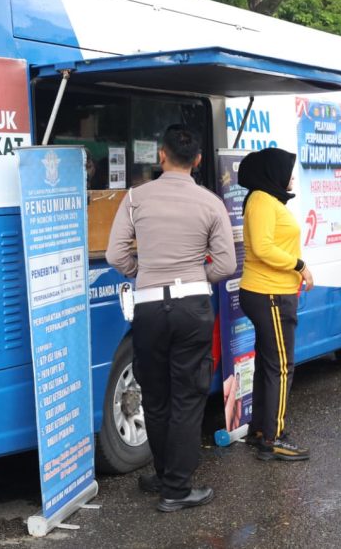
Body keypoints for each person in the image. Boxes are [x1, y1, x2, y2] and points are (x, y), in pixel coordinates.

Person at [106, 124, 236, 512]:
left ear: (161, 155)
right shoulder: (211, 203)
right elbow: (226, 264)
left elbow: (115, 255)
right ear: (198, 160)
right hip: (191, 307)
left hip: (148, 306)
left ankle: (165, 476)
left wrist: (141, 273)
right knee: (188, 396)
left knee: (156, 394)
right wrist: (196, 278)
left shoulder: (135, 198)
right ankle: (176, 489)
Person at [237, 148, 313, 462]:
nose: (291, 176)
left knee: (269, 364)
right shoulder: (262, 201)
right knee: (281, 366)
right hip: (269, 293)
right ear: (272, 172)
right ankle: (274, 437)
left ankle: (260, 429)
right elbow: (263, 247)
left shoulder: (267, 200)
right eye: (287, 170)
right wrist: (299, 265)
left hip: (270, 292)